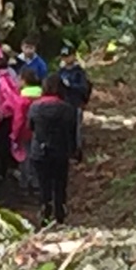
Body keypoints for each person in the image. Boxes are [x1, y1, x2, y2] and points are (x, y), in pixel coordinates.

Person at [26, 84, 82, 223]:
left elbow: (30, 126)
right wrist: (75, 150)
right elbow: (73, 132)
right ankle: (60, 209)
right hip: (60, 150)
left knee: (43, 182)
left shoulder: (35, 107)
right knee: (59, 181)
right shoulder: (68, 109)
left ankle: (45, 207)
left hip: (39, 150)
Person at [54, 46, 93, 160]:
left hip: (75, 103)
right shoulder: (60, 72)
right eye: (64, 57)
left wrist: (70, 85)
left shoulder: (79, 72)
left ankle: (77, 152)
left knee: (76, 129)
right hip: (62, 104)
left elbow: (84, 88)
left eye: (68, 56)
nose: (66, 59)